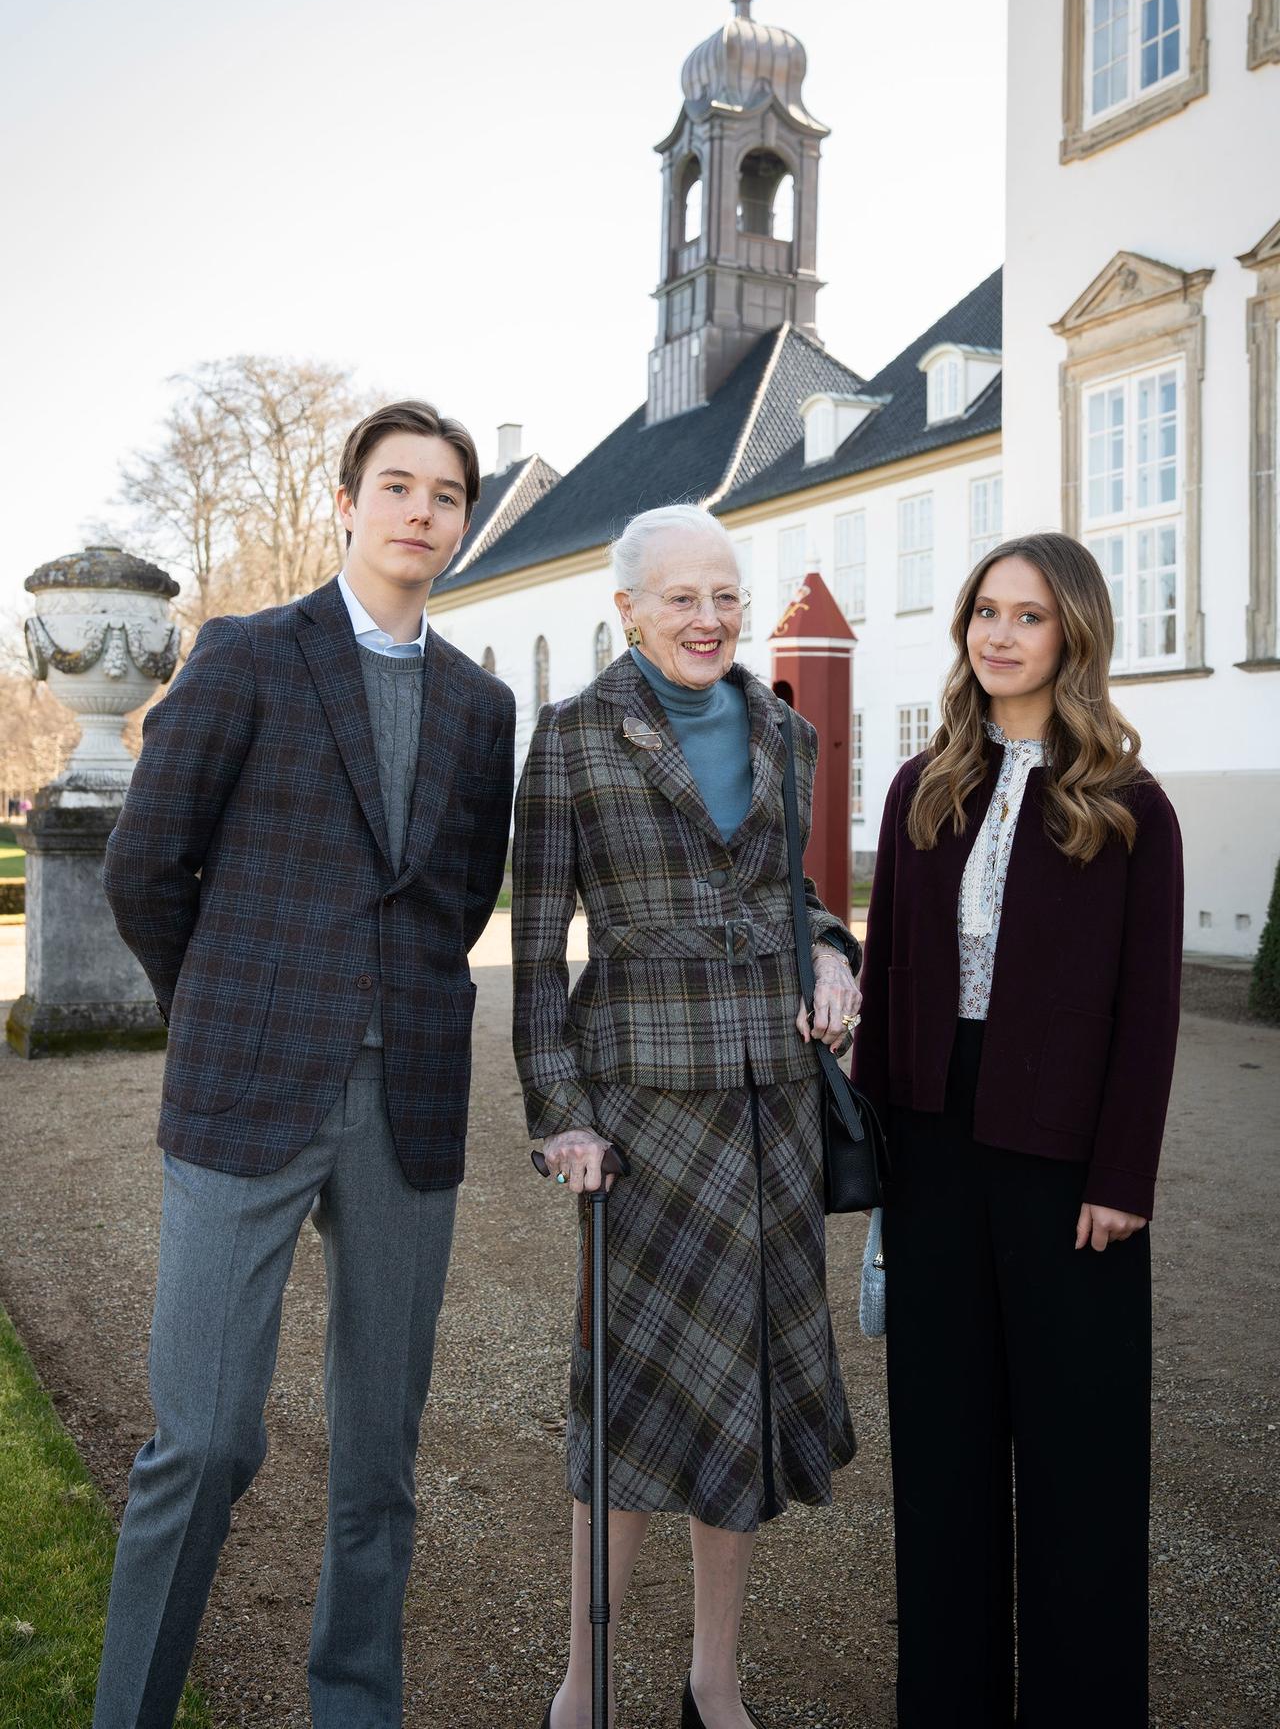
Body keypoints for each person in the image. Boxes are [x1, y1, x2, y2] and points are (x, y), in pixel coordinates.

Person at [94, 400, 515, 1729]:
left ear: (462, 522)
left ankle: (354, 1705)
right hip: (245, 1089)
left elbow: (459, 899)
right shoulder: (248, 656)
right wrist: (218, 1007)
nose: (420, 512)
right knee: (204, 1438)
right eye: (397, 485)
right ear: (345, 502)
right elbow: (144, 866)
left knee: (380, 1457)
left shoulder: (482, 704)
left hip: (409, 1105)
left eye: (445, 495)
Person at [513, 504, 862, 1729]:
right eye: (681, 597)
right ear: (627, 609)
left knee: (741, 1397)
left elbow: (787, 892)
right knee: (623, 1403)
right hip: (640, 1120)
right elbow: (536, 951)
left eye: (724, 594)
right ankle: (583, 1682)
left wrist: (831, 948)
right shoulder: (570, 735)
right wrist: (559, 1113)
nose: (708, 618)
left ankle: (713, 1680)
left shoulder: (783, 727)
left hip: (773, 1108)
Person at [852, 531, 1183, 1728]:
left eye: (1026, 615)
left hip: (1068, 1162)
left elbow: (1146, 1008)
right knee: (940, 1455)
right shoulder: (919, 785)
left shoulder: (1129, 805)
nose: (997, 634)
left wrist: (1121, 1174)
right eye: (983, 611)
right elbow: (889, 971)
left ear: (1071, 633)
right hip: (933, 1147)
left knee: (1077, 1458)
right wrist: (876, 1159)